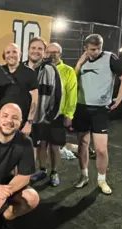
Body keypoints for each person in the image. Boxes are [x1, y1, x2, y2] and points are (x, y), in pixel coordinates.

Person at [73, 34, 122, 195]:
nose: (96, 51)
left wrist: (118, 100)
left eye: (99, 48)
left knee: (101, 150)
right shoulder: (82, 62)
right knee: (83, 145)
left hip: (99, 110)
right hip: (81, 108)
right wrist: (78, 63)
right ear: (85, 48)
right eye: (92, 49)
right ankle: (83, 176)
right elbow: (72, 80)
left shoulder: (110, 58)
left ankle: (101, 179)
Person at [23, 37, 63, 184]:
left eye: (40, 48)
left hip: (44, 118)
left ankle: (53, 173)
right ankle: (33, 174)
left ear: (44, 52)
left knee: (50, 147)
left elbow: (58, 93)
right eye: (33, 48)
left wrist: (50, 115)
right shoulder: (22, 68)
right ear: (28, 50)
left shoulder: (50, 69)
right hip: (26, 119)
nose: (36, 51)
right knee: (30, 147)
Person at [41, 42, 78, 186]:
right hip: (42, 115)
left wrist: (69, 114)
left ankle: (54, 172)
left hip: (58, 115)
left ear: (60, 54)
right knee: (41, 144)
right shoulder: (42, 69)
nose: (52, 54)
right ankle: (42, 170)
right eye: (49, 51)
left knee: (55, 146)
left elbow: (72, 94)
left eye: (55, 52)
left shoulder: (68, 71)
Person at [0, 43, 39, 134]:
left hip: (22, 123)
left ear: (20, 54)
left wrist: (29, 122)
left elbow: (35, 100)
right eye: (8, 52)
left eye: (14, 52)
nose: (11, 55)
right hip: (2, 122)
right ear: (4, 56)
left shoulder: (30, 73)